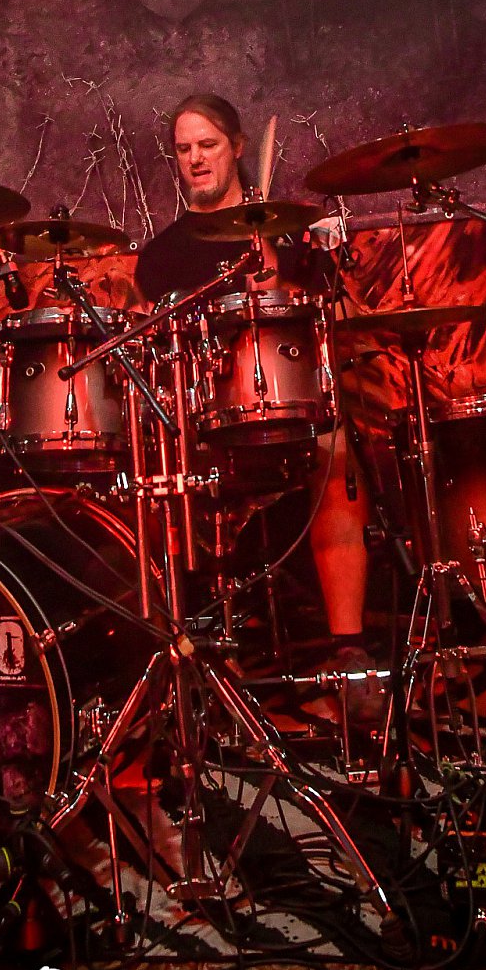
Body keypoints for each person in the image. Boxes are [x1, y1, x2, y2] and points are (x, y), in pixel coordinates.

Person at [135, 93, 382, 724]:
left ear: (238, 147)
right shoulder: (161, 256)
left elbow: (309, 317)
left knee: (335, 452)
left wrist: (271, 253)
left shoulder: (286, 229)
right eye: (183, 150)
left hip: (290, 404)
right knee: (156, 473)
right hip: (205, 419)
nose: (195, 159)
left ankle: (349, 650)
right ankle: (198, 648)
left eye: (207, 145)